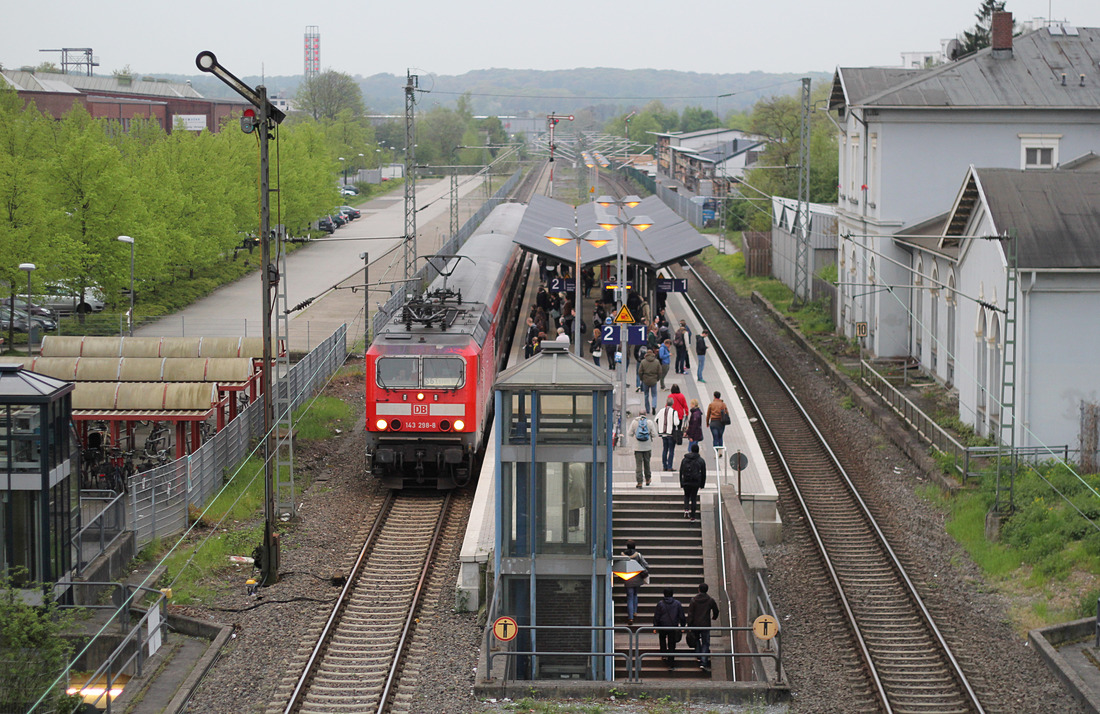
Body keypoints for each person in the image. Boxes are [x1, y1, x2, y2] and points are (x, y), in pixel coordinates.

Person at [687, 582, 719, 670]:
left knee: (696, 639)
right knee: (705, 643)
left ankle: (698, 655)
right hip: (705, 624)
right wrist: (714, 617)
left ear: (699, 590)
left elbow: (690, 613)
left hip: (695, 624)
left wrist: (689, 624)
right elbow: (716, 610)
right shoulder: (710, 600)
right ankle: (704, 661)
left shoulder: (694, 600)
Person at [653, 588, 686, 670]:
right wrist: (683, 626)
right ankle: (671, 662)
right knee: (672, 644)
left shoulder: (660, 603)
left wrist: (655, 626)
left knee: (662, 639)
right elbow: (682, 616)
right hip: (673, 626)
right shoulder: (677, 603)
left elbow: (657, 616)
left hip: (662, 625)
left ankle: (663, 653)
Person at [621, 540, 650, 625]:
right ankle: (635, 611)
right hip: (637, 578)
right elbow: (646, 565)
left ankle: (630, 618)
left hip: (627, 578)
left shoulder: (623, 555)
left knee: (629, 597)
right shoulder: (638, 555)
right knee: (635, 594)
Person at [679, 442, 707, 521]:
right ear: (698, 450)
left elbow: (681, 471)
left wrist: (681, 482)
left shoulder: (685, 459)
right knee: (693, 498)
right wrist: (702, 484)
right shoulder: (701, 460)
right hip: (695, 482)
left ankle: (686, 509)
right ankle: (693, 516)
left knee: (686, 495)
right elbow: (704, 473)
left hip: (686, 481)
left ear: (691, 450)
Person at [654, 397, 681, 471]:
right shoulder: (674, 412)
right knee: (671, 450)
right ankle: (669, 466)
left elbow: (656, 419)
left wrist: (661, 425)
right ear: (672, 403)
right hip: (670, 433)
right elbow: (676, 423)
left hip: (663, 433)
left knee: (665, 449)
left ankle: (664, 465)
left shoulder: (661, 410)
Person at [628, 412, 653, 487]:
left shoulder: (634, 422)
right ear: (646, 414)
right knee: (647, 463)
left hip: (637, 447)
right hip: (647, 447)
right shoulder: (649, 422)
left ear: (638, 415)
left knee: (638, 465)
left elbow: (630, 433)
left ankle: (639, 482)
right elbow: (655, 434)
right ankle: (648, 479)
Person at [638, 349, 661, 414]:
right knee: (654, 395)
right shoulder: (656, 361)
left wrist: (642, 378)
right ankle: (653, 406)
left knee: (646, 395)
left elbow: (640, 372)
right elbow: (660, 371)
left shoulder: (643, 362)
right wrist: (657, 378)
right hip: (654, 380)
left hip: (645, 380)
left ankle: (647, 409)